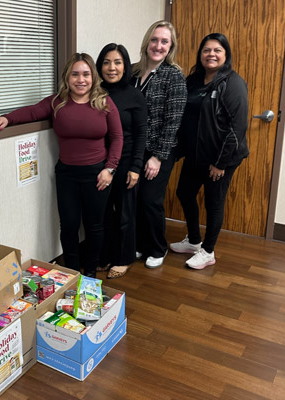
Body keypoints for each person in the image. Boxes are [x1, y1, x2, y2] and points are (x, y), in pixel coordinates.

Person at [0, 53, 123, 277]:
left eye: (86, 74)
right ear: (67, 77)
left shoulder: (105, 102)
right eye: (75, 74)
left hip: (97, 175)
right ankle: (71, 274)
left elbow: (118, 138)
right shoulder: (56, 102)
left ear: (93, 77)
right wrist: (7, 117)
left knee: (94, 226)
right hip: (67, 174)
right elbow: (31, 111)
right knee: (69, 226)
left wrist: (110, 169)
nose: (81, 80)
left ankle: (90, 273)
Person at [169, 33, 249, 269]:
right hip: (196, 154)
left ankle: (208, 251)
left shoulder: (232, 83)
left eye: (217, 50)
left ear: (226, 55)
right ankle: (194, 240)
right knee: (184, 193)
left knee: (214, 202)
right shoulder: (193, 80)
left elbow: (237, 127)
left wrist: (221, 163)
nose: (211, 54)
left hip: (221, 158)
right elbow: (185, 117)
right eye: (206, 50)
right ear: (200, 54)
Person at [131, 21, 187, 269]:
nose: (158, 46)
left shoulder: (173, 75)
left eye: (164, 41)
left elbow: (173, 120)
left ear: (170, 46)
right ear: (146, 41)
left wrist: (158, 157)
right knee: (134, 198)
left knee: (150, 199)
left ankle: (157, 247)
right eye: (154, 40)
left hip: (160, 149)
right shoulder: (133, 72)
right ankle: (141, 244)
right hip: (135, 148)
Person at [94, 43, 148, 279]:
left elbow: (141, 133)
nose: (111, 67)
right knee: (103, 212)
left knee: (125, 212)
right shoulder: (95, 92)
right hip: (100, 162)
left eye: (117, 62)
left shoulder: (134, 95)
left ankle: (124, 258)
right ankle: (105, 255)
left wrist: (136, 167)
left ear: (125, 66)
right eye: (106, 62)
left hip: (126, 163)